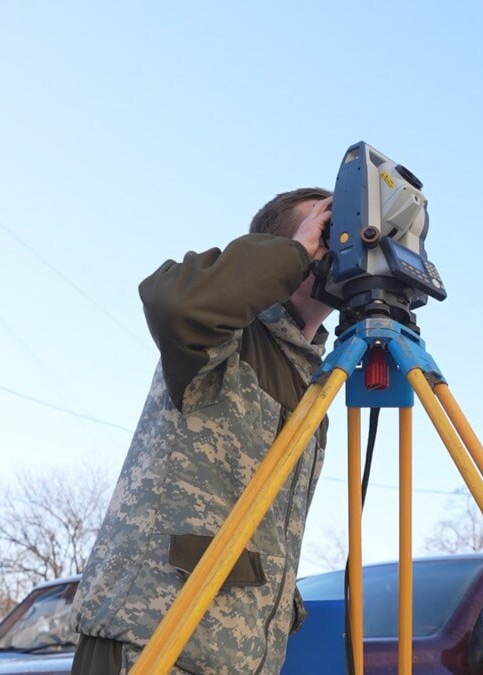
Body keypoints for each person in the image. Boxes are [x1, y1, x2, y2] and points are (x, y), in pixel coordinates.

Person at [71, 188, 335, 675]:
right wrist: (296, 252)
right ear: (283, 248)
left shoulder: (312, 382)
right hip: (153, 642)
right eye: (326, 227)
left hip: (237, 658)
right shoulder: (228, 336)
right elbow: (175, 303)